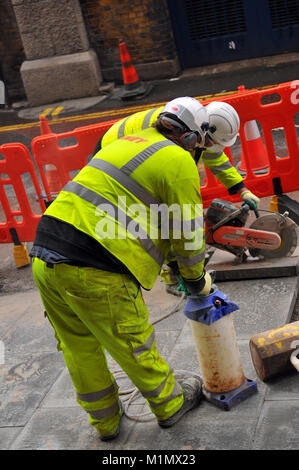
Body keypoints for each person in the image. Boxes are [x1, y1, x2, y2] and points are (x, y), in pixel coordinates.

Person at [30, 96, 213, 441]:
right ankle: (170, 403)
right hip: (93, 265)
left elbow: (135, 207)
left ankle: (106, 423)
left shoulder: (128, 142)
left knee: (78, 345)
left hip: (46, 252)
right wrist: (194, 279)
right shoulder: (177, 159)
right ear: (192, 137)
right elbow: (187, 232)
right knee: (132, 340)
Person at [92, 100, 260, 294]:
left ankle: (173, 267)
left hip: (129, 148)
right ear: (204, 131)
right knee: (156, 216)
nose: (212, 146)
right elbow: (176, 216)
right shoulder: (170, 138)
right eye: (213, 141)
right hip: (113, 152)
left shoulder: (189, 124)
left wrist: (241, 189)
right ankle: (169, 276)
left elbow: (214, 156)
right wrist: (182, 269)